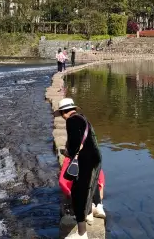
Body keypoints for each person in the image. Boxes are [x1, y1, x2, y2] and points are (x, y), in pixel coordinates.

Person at [55, 98, 102, 239]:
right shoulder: (82, 118)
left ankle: (82, 234)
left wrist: (66, 152)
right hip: (94, 157)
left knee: (78, 194)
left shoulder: (72, 121)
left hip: (85, 161)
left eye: (61, 113)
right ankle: (95, 209)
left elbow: (75, 146)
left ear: (64, 112)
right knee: (88, 189)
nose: (62, 117)